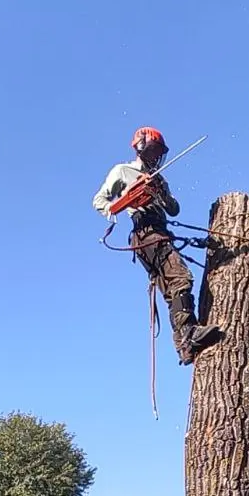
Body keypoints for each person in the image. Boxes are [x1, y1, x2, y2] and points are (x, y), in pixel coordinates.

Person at [92, 127, 220, 365]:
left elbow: (174, 209)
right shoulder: (123, 171)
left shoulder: (159, 178)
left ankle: (184, 345)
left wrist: (160, 193)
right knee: (180, 277)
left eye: (159, 152)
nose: (156, 157)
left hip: (159, 231)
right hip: (145, 232)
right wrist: (124, 202)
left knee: (172, 289)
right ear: (142, 147)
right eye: (153, 151)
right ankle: (189, 331)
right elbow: (100, 200)